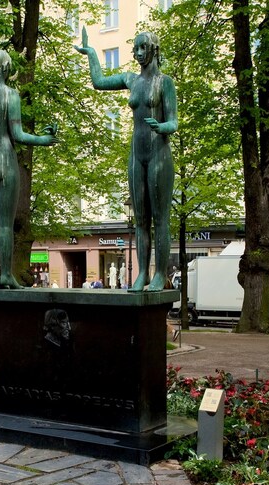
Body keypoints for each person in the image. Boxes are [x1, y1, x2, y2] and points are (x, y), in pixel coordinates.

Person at [76, 28, 177, 292]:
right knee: (141, 220)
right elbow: (98, 82)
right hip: (137, 155)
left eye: (143, 48)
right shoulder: (131, 80)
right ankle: (142, 273)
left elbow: (174, 122)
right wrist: (91, 54)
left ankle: (158, 275)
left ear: (153, 49)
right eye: (136, 49)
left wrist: (162, 127)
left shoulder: (164, 82)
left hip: (159, 155)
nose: (138, 53)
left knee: (160, 219)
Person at [0, 49, 60, 289]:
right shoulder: (10, 95)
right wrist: (43, 140)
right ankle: (6, 275)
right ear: (4, 68)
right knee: (4, 224)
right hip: (4, 161)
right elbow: (18, 134)